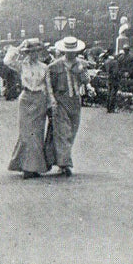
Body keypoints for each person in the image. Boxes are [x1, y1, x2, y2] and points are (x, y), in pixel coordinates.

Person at [5, 38, 54, 179]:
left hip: (40, 100)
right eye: (30, 52)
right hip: (26, 98)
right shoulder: (21, 65)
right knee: (26, 133)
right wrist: (19, 48)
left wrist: (52, 103)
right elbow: (7, 61)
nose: (33, 55)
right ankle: (26, 166)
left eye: (35, 52)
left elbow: (48, 86)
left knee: (37, 134)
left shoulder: (44, 67)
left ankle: (33, 167)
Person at [44, 36, 93, 176]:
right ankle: (64, 164)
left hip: (76, 101)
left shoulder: (81, 64)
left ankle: (61, 159)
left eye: (74, 51)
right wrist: (51, 100)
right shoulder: (54, 66)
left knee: (72, 132)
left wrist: (89, 86)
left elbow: (86, 80)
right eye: (68, 51)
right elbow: (49, 86)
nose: (71, 54)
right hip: (61, 101)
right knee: (62, 132)